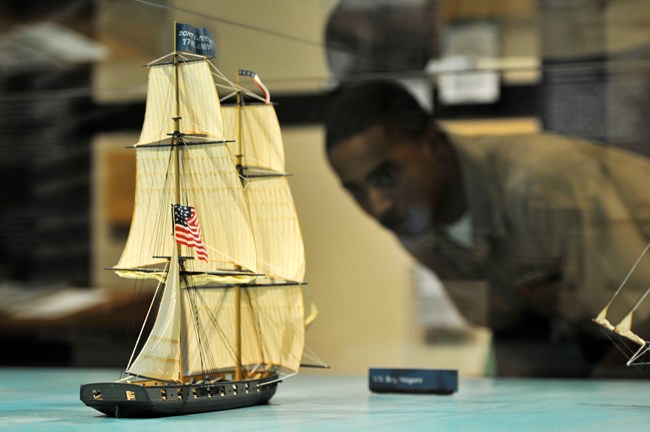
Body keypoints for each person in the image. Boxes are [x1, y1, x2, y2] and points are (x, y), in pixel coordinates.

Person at [324, 79, 650, 377]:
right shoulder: (413, 221)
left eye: (386, 176)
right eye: (356, 191)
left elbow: (641, 327)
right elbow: (511, 328)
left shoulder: (541, 185)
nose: (377, 205)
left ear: (434, 145)